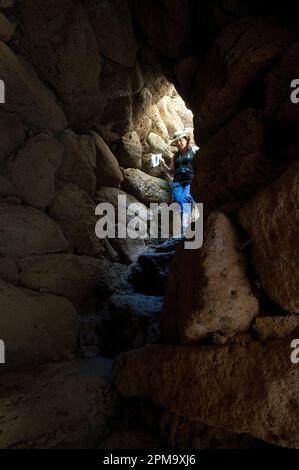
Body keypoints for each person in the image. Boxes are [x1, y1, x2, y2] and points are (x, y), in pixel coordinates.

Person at [159, 129, 197, 236]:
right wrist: (162, 165)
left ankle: (184, 228)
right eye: (177, 142)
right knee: (179, 201)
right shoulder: (175, 157)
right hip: (177, 183)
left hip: (190, 180)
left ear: (186, 139)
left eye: (181, 140)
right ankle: (185, 227)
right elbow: (171, 172)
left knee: (186, 198)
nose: (179, 143)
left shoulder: (193, 151)